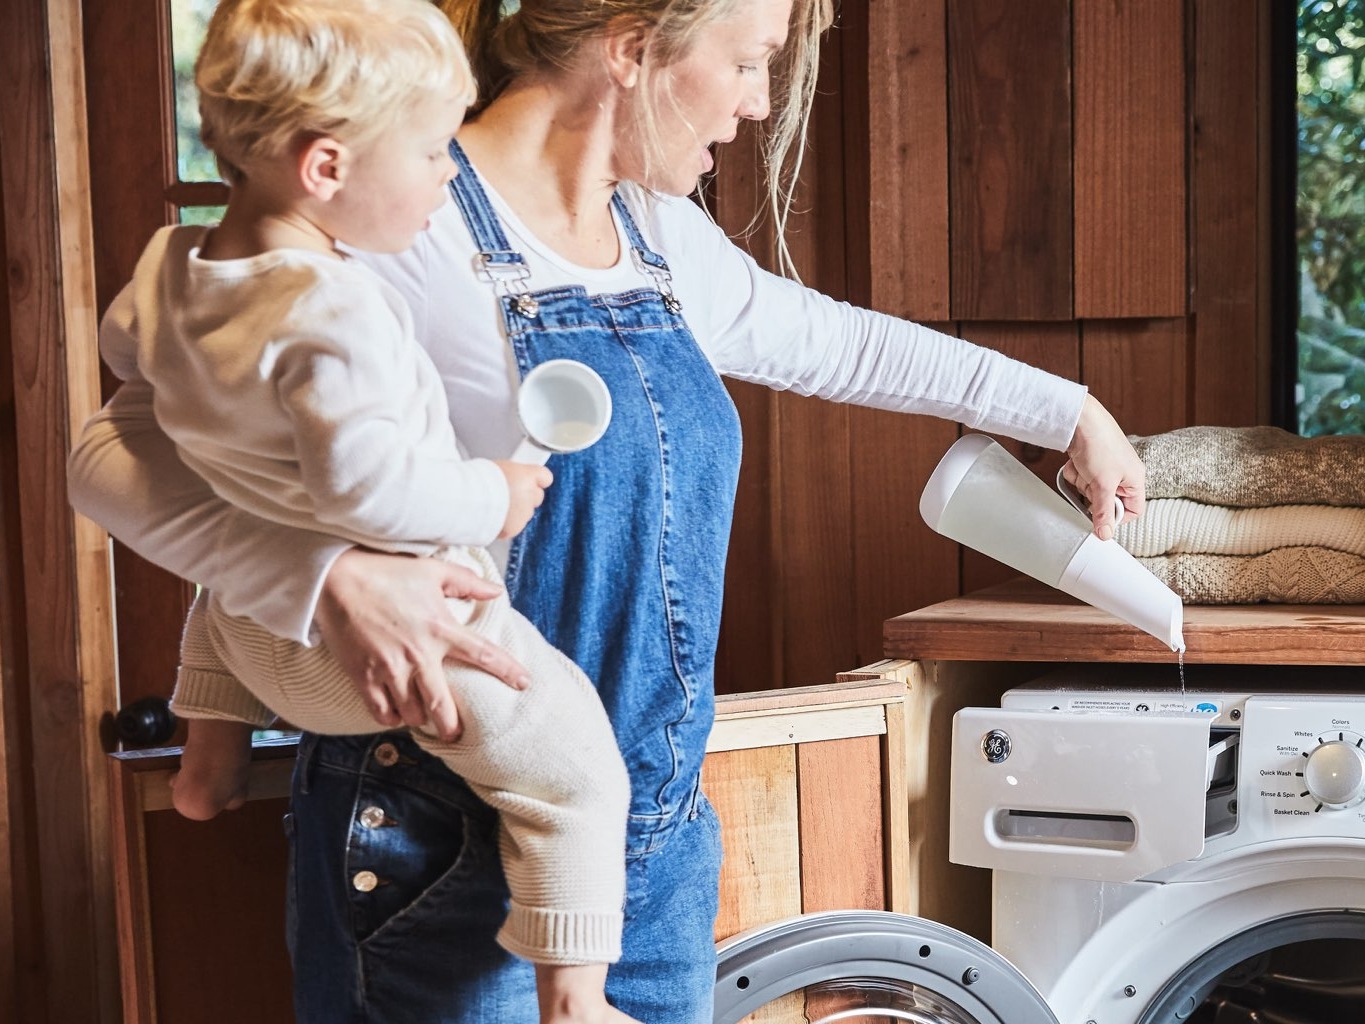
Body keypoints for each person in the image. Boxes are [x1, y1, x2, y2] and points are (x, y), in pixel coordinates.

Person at [68, 0, 1149, 1021]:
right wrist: (324, 574)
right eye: (746, 59)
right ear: (631, 48)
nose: (759, 102)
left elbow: (841, 342)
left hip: (650, 851)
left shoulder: (654, 235)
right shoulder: (390, 216)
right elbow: (119, 450)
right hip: (441, 847)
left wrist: (1065, 410)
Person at [86, 0, 638, 1021]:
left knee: (233, 554)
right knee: (574, 768)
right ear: (327, 169)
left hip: (257, 638)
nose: (446, 172)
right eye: (431, 149)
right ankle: (577, 997)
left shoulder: (172, 266)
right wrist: (493, 493)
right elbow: (362, 488)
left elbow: (127, 359)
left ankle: (210, 762)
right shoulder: (329, 309)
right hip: (388, 650)